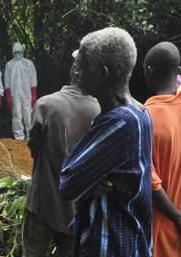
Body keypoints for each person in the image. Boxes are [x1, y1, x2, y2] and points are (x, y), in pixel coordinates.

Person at [60, 27, 153, 257]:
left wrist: (88, 181)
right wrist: (92, 180)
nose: (77, 71)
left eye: (82, 65)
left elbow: (67, 182)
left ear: (102, 74)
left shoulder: (120, 123)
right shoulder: (139, 114)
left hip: (111, 245)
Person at [22, 54, 101, 257]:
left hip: (43, 203)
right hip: (77, 210)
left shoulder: (45, 105)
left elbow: (34, 149)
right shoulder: (100, 110)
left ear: (74, 70)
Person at [144, 42, 181, 257]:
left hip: (166, 226)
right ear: (178, 72)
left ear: (148, 71)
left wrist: (176, 217)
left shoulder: (145, 117)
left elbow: (151, 181)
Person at [4, 42, 37, 140]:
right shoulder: (9, 65)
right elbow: (7, 83)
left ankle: (30, 135)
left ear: (23, 52)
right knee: (16, 114)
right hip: (14, 94)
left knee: (28, 114)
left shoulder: (29, 63)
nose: (18, 54)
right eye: (16, 52)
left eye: (20, 52)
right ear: (13, 53)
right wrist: (8, 96)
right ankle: (19, 137)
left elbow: (33, 80)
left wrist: (34, 95)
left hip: (27, 93)